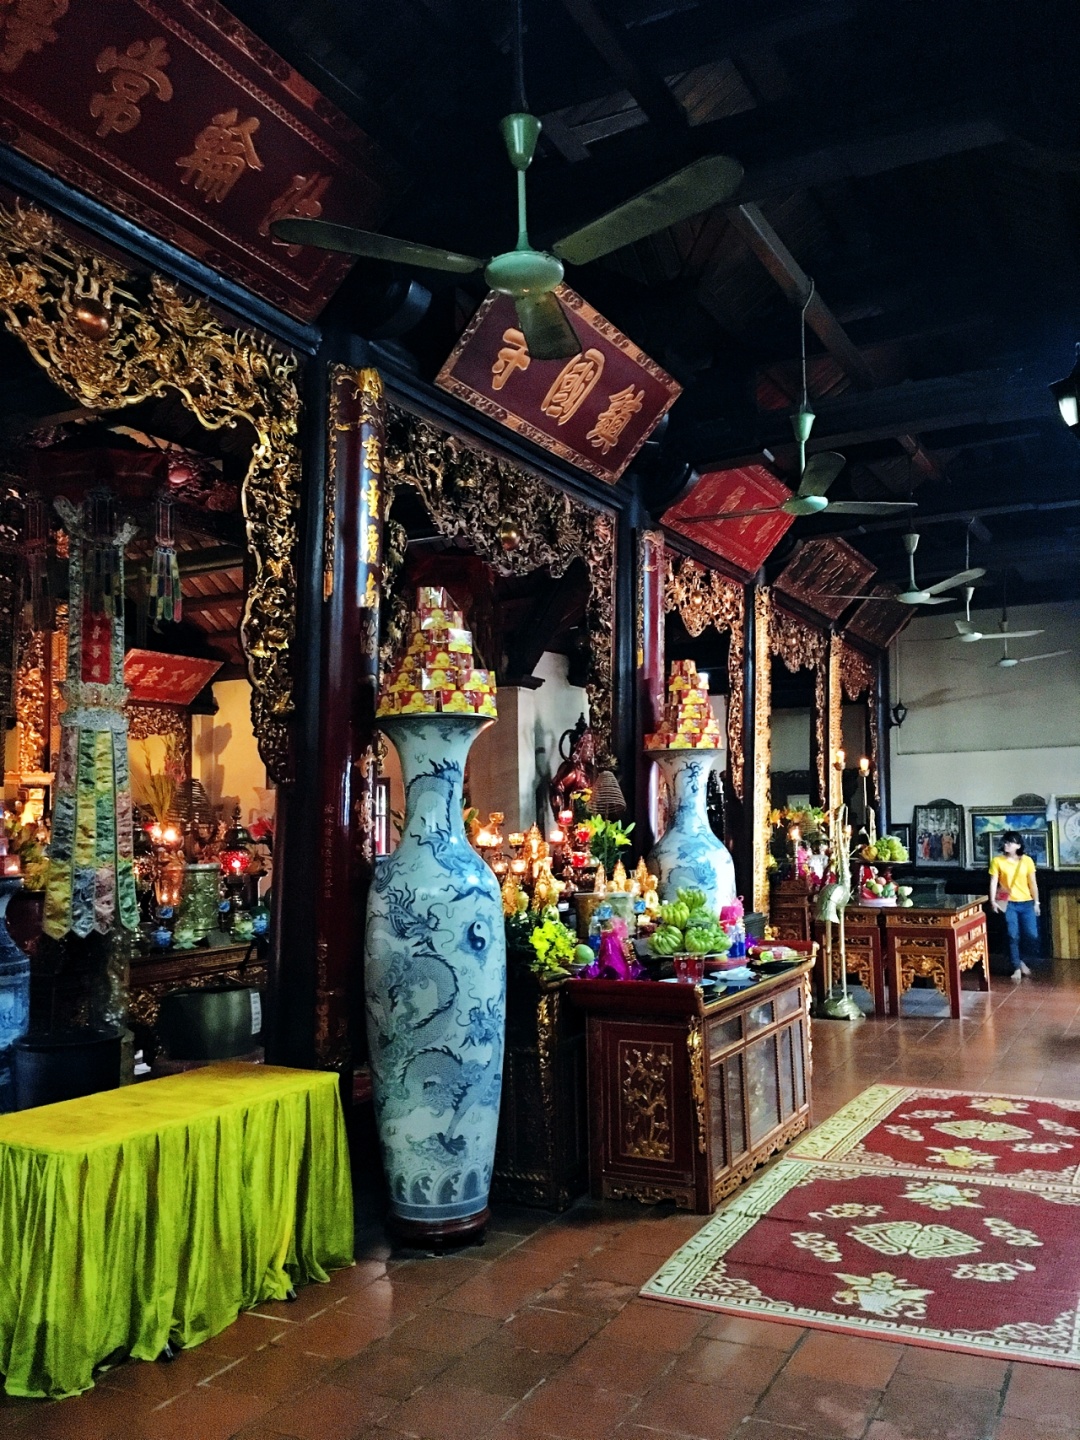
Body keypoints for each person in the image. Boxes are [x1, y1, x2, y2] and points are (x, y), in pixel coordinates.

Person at [989, 831, 1041, 982]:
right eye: (1005, 842)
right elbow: (994, 882)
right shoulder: (997, 861)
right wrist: (992, 900)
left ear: (1018, 845)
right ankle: (1016, 966)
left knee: (1032, 935)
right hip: (1009, 903)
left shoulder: (1027, 861)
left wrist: (1036, 902)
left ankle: (1020, 959)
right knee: (1012, 934)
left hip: (1026, 902)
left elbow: (1033, 883)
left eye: (1010, 842)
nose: (1006, 845)